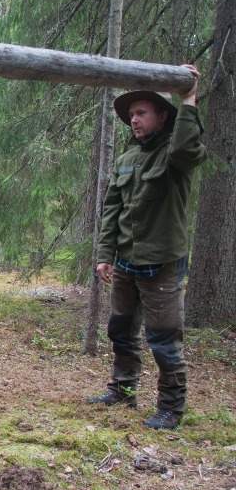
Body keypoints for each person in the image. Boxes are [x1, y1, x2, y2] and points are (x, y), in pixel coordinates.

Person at [89, 64, 206, 430]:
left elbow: (188, 148)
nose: (134, 121)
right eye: (131, 115)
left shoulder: (175, 158)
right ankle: (123, 390)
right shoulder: (126, 160)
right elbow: (112, 210)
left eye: (141, 113)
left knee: (164, 339)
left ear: (162, 116)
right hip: (125, 263)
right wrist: (106, 255)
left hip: (161, 265)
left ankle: (171, 408)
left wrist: (188, 101)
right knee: (121, 330)